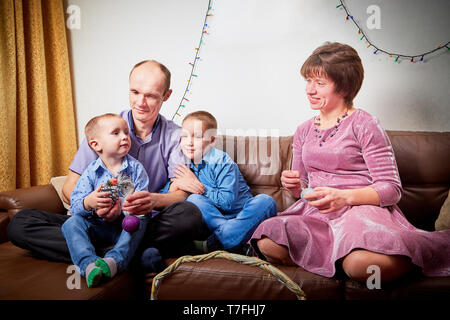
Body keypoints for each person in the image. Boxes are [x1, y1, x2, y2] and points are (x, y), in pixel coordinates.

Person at [250, 42, 450, 283]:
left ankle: (420, 253)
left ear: (343, 87)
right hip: (318, 216)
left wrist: (344, 197)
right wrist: (294, 187)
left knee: (362, 268)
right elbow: (302, 190)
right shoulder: (303, 130)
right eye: (308, 81)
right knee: (268, 242)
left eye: (320, 83)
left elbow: (391, 189)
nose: (310, 90)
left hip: (360, 212)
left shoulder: (365, 124)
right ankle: (334, 259)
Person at [7, 60, 210, 270]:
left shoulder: (177, 136)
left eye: (150, 95)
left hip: (137, 223)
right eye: (135, 92)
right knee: (20, 223)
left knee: (189, 215)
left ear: (166, 96)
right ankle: (124, 255)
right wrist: (96, 205)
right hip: (97, 223)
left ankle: (100, 253)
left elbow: (180, 195)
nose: (140, 102)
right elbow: (69, 188)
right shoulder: (105, 128)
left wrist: (151, 200)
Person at [167, 111, 277, 253]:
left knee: (266, 201)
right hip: (214, 221)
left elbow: (227, 202)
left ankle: (215, 244)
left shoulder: (221, 161)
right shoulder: (184, 162)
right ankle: (236, 242)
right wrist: (174, 185)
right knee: (194, 199)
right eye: (184, 136)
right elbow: (169, 193)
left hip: (242, 215)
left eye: (198, 136)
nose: (189, 142)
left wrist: (196, 185)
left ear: (212, 140)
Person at [62, 113, 150, 287]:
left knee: (140, 218)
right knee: (70, 223)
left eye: (126, 132)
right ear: (96, 145)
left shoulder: (134, 169)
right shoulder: (91, 172)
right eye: (116, 133)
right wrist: (90, 202)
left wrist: (124, 209)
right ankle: (89, 264)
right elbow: (75, 206)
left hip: (125, 228)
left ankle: (114, 261)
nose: (125, 136)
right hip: (98, 227)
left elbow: (141, 203)